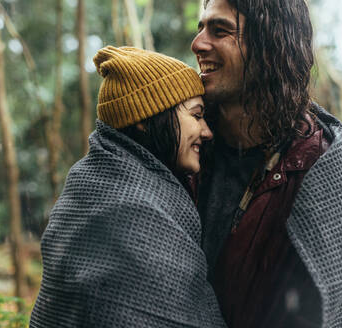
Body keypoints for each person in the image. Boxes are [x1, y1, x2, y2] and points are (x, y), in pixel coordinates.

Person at [191, 0, 342, 327]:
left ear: (267, 45)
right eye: (201, 28)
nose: (198, 43)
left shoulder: (323, 168)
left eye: (220, 30)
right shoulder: (183, 143)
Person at [30, 46, 226, 327]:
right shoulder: (131, 208)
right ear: (146, 120)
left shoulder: (94, 180)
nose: (207, 131)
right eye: (196, 115)